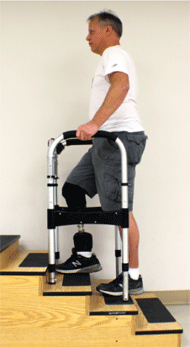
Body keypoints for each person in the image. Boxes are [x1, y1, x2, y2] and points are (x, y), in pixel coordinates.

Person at [56, 11, 147, 296]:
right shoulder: (110, 57)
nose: (88, 37)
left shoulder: (114, 53)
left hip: (117, 139)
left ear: (108, 31)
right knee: (73, 188)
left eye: (92, 31)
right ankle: (85, 256)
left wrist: (95, 124)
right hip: (105, 140)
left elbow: (121, 85)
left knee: (121, 211)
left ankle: (133, 276)